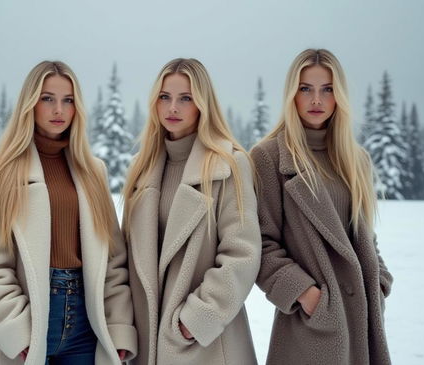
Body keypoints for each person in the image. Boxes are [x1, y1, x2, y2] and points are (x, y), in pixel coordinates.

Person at [0, 60, 137, 365]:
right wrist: (14, 328)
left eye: (67, 100)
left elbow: (113, 260)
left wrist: (119, 327)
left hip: (86, 324)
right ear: (30, 103)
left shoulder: (92, 171)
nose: (59, 109)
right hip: (28, 318)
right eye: (48, 99)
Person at [250, 48, 393, 365]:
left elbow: (362, 235)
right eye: (306, 89)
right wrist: (306, 294)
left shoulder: (356, 161)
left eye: (327, 89)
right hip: (310, 325)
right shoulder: (269, 157)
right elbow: (260, 242)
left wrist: (379, 282)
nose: (317, 100)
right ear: (292, 95)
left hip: (362, 319)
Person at [121, 58, 261, 365]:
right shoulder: (141, 170)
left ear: (202, 104)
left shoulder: (228, 165)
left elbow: (242, 253)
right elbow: (127, 256)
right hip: (148, 342)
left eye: (185, 98)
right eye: (165, 97)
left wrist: (196, 320)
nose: (173, 107)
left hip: (205, 344)